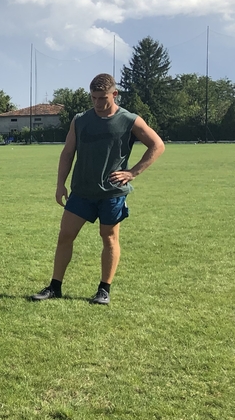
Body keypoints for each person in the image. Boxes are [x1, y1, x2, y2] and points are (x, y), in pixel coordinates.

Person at [30, 73, 164, 305]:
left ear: (115, 94)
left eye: (103, 98)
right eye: (94, 98)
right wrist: (60, 184)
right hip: (81, 191)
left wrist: (132, 172)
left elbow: (157, 145)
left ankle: (104, 290)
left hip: (112, 193)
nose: (98, 103)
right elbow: (67, 153)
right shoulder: (80, 120)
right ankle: (54, 287)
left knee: (109, 238)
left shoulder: (129, 120)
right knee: (65, 236)